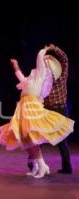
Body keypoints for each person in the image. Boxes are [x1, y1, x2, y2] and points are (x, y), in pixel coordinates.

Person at [0, 47, 74, 178]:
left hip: (32, 106)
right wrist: (15, 66)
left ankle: (43, 166)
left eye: (45, 61)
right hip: (24, 106)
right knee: (25, 137)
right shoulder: (33, 77)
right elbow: (21, 78)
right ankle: (38, 166)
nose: (43, 61)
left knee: (32, 137)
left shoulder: (41, 74)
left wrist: (45, 50)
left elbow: (40, 59)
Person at [43, 44, 73, 174]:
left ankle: (67, 167)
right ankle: (38, 165)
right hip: (47, 111)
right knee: (37, 135)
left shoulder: (61, 76)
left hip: (59, 110)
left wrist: (53, 48)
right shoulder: (45, 79)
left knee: (62, 140)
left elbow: (64, 59)